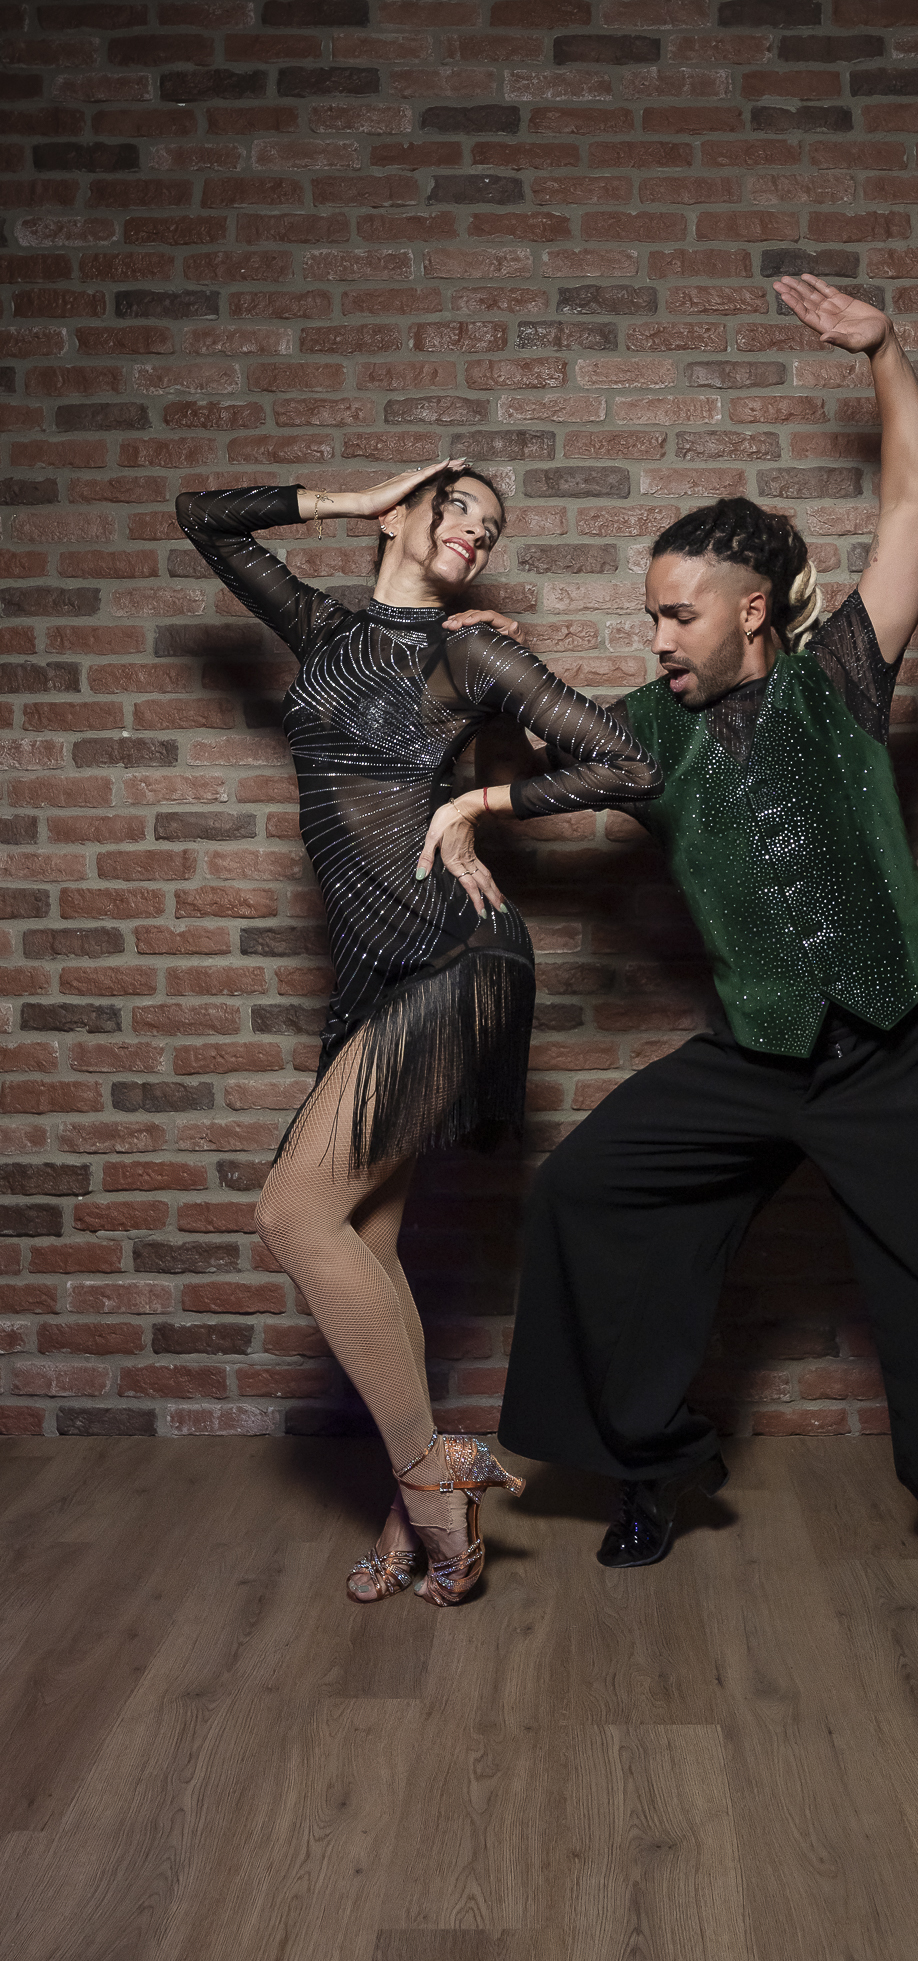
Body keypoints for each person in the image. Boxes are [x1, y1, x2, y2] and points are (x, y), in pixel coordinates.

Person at [497, 278, 918, 1619]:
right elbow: (539, 744)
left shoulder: (839, 677)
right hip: (760, 1055)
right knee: (583, 1194)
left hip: (912, 1046)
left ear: (750, 612)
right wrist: (488, 666)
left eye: (676, 616)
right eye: (649, 616)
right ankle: (651, 1463)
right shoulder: (646, 728)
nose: (656, 639)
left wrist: (885, 352)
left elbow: (912, 513)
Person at [176, 462, 662, 1607]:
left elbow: (628, 763)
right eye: (460, 510)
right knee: (364, 1236)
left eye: (491, 529)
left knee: (292, 1211)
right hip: (371, 974)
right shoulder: (323, 630)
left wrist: (477, 803)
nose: (477, 536)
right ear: (404, 511)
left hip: (455, 955)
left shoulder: (470, 653)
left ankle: (431, 1481)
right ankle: (421, 1507)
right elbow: (204, 517)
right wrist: (353, 499)